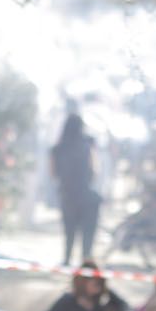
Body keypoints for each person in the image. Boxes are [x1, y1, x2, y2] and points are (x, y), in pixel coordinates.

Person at [50, 111, 100, 264]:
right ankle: (86, 262)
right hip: (86, 195)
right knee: (88, 233)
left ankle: (67, 259)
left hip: (67, 195)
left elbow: (53, 174)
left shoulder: (57, 149)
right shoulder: (88, 145)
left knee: (69, 231)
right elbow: (95, 169)